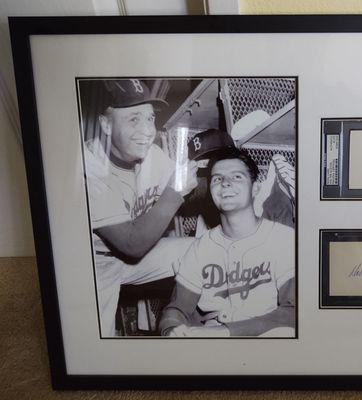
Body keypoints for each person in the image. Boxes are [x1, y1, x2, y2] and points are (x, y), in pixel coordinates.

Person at [84, 79, 198, 336]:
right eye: (134, 119)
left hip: (133, 258)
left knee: (203, 248)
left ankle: (183, 323)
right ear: (106, 125)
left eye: (149, 118)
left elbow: (186, 185)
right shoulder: (88, 169)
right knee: (95, 349)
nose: (148, 130)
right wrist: (175, 192)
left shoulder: (151, 154)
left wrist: (227, 180)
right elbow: (132, 244)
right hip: (93, 267)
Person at [159, 148, 295, 337]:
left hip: (266, 339)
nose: (225, 183)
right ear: (211, 192)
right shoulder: (201, 247)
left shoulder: (284, 239)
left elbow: (295, 313)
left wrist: (224, 332)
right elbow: (176, 309)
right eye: (217, 179)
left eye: (237, 177)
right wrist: (172, 329)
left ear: (256, 188)